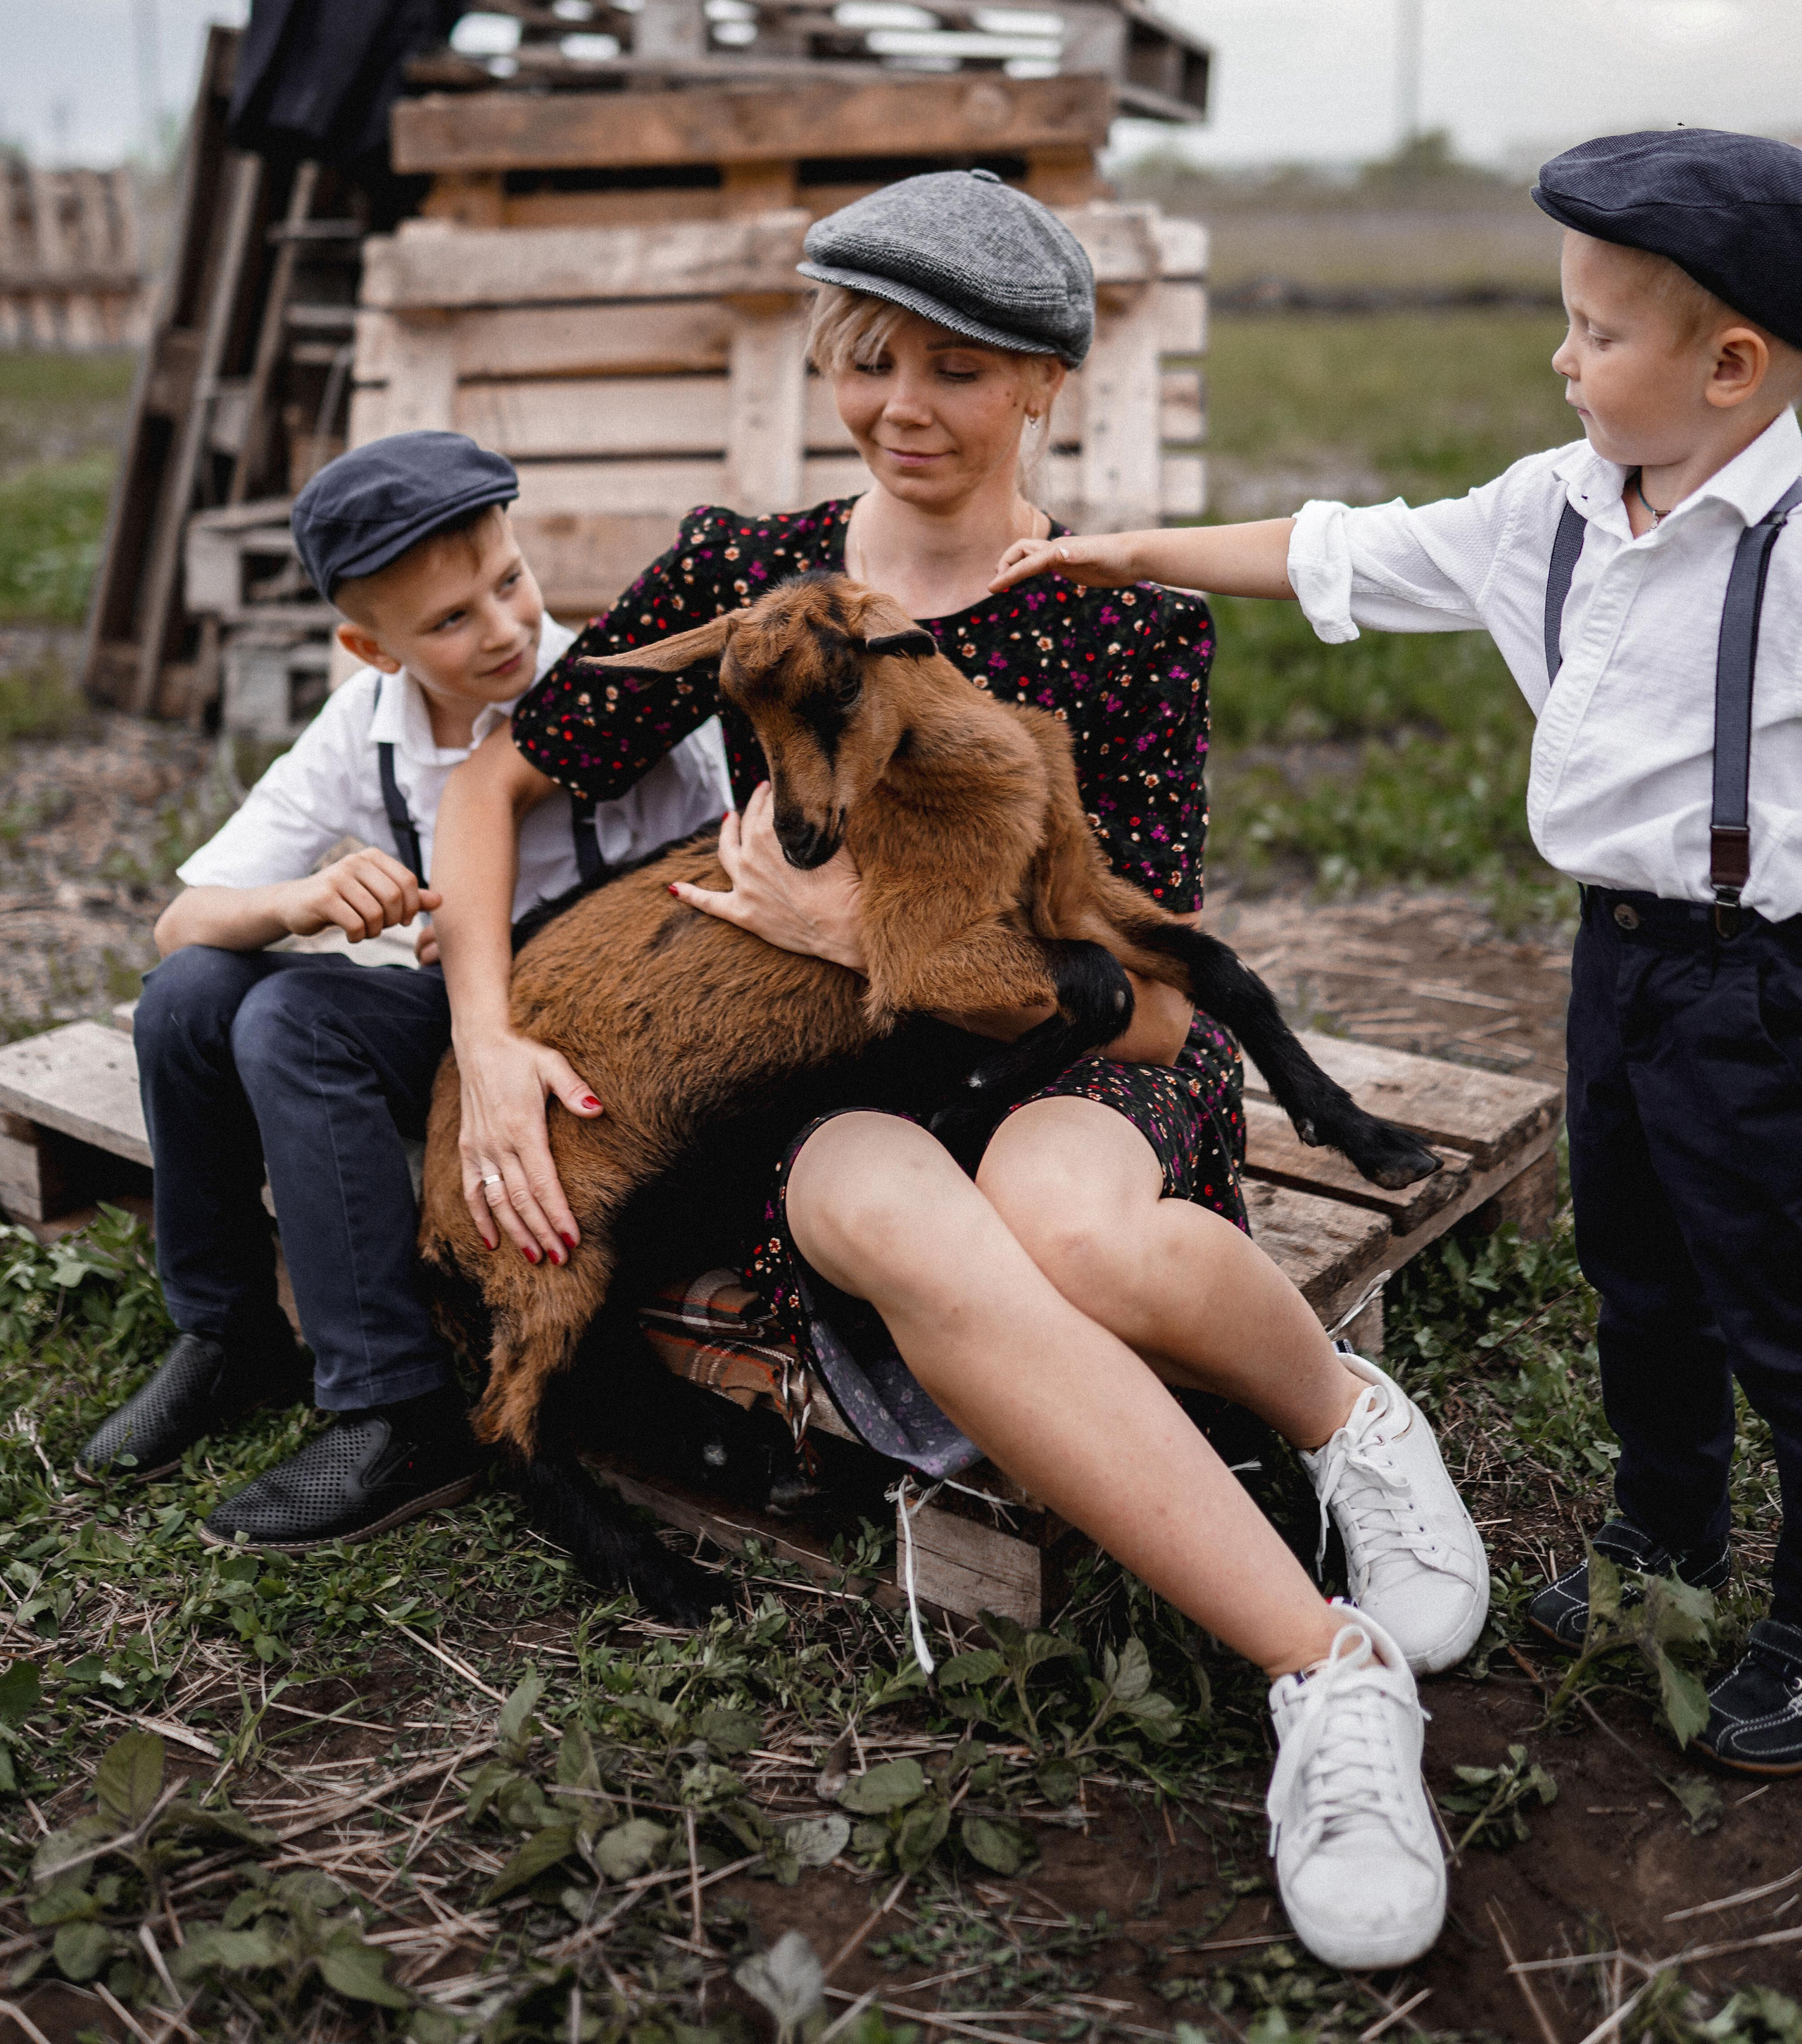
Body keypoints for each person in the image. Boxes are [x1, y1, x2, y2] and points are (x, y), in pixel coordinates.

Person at [430, 169, 1485, 1973]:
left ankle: (1346, 1421)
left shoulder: (1121, 624)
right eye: (868, 359)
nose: (902, 408)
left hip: (1066, 1067)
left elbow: (1151, 1002)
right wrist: (488, 1040)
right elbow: (490, 783)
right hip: (838, 1103)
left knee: (1075, 1241)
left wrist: (865, 943)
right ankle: (1327, 1672)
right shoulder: (746, 576)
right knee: (886, 1212)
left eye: (958, 369)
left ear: (1045, 387)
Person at [996, 126, 1802, 1781]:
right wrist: (1130, 550)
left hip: (1766, 979)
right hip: (1623, 967)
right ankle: (1663, 1545)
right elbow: (1336, 549)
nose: (1556, 357)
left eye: (1593, 331)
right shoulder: (1554, 510)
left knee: (1776, 1298)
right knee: (1639, 1276)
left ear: (1729, 367)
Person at [79, 430, 731, 1553]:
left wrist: (523, 940)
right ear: (369, 650)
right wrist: (305, 896)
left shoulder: (613, 695)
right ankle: (226, 1331)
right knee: (193, 994)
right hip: (459, 1024)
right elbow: (180, 919)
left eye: (510, 583)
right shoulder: (363, 731)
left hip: (597, 1044)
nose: (506, 629)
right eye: (450, 622)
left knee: (291, 1018)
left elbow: (709, 894)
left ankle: (397, 1406)